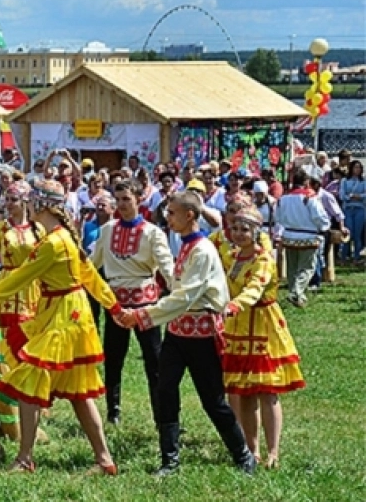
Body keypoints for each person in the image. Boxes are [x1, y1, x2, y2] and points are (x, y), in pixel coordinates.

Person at [0, 180, 119, 475]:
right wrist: (113, 307)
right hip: (71, 315)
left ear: (42, 205)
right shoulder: (64, 237)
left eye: (33, 200)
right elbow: (90, 276)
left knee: (30, 379)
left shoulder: (52, 242)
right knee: (78, 393)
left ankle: (25, 458)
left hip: (63, 318)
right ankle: (104, 460)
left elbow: (19, 278)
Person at [118, 190, 257, 476]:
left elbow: (185, 297)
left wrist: (143, 315)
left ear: (189, 215)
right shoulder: (186, 245)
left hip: (201, 334)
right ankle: (170, 460)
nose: (167, 217)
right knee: (165, 389)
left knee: (212, 400)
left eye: (172, 213)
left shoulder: (202, 250)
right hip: (179, 331)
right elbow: (178, 294)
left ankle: (243, 455)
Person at [221, 207, 304, 470]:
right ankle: (251, 450)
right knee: (245, 393)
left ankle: (274, 452)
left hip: (263, 325)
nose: (239, 234)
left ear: (256, 232)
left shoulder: (264, 260)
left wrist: (234, 305)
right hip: (239, 327)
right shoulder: (233, 257)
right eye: (235, 228)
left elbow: (256, 288)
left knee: (267, 392)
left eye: (245, 229)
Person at [89, 179, 174, 426]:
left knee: (154, 360)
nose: (121, 204)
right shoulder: (107, 230)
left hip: (145, 302)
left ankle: (161, 415)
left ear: (139, 199)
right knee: (113, 357)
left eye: (126, 199)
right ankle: (112, 411)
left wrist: (179, 294)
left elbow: (167, 267)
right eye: (118, 199)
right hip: (116, 301)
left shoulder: (152, 232)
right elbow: (92, 264)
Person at [0, 181, 45, 357]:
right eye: (7, 199)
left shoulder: (37, 229)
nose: (9, 204)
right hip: (9, 282)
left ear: (24, 201)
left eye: (14, 200)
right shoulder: (0, 228)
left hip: (31, 283)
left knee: (31, 329)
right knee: (10, 332)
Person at [275, 173, 329, 308]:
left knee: (292, 267)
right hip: (308, 236)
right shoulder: (309, 198)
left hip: (289, 236)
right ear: (306, 182)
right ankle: (296, 292)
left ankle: (296, 295)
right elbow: (320, 217)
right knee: (307, 268)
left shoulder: (283, 199)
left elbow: (278, 217)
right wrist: (324, 227)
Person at [341, 160, 365, 262]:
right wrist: (349, 197)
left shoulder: (363, 181)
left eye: (359, 167)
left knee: (357, 234)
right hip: (348, 209)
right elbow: (342, 195)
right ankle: (344, 256)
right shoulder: (345, 181)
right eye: (355, 167)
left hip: (360, 209)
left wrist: (358, 196)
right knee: (348, 232)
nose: (357, 169)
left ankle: (357, 256)